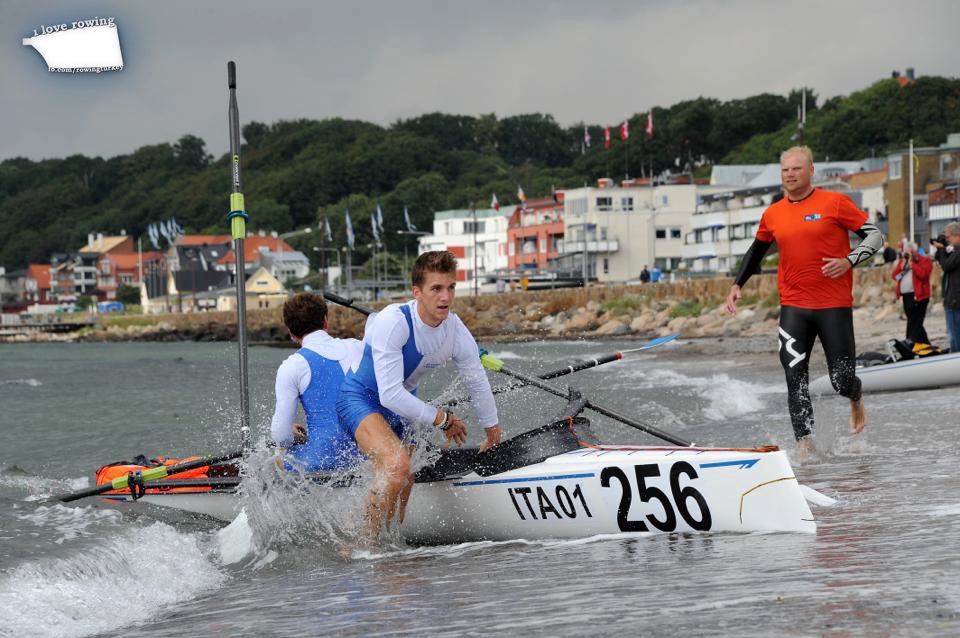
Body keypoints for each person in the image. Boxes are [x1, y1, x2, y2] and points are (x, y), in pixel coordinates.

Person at [723, 146, 882, 457]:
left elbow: (874, 235)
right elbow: (757, 250)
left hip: (833, 304)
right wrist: (737, 284)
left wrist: (849, 260)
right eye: (785, 170)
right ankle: (805, 450)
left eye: (796, 169)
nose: (790, 175)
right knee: (795, 379)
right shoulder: (773, 213)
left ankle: (856, 398)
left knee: (841, 379)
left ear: (811, 171)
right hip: (794, 305)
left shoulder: (834, 203)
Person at [337, 250, 502, 540]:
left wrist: (492, 431)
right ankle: (362, 546)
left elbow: (476, 380)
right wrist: (443, 419)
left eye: (451, 288)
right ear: (417, 292)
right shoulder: (394, 321)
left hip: (403, 405)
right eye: (436, 289)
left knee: (406, 480)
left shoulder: (456, 330)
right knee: (397, 466)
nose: (445, 298)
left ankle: (392, 545)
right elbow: (389, 394)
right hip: (361, 399)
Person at [270, 293, 365, 472]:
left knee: (277, 458)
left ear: (291, 332)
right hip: (367, 456)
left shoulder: (292, 366)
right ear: (325, 321)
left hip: (322, 462)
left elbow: (280, 435)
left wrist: (292, 437)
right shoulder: (357, 347)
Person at [892, 242, 933, 344]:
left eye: (910, 252)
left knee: (915, 320)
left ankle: (909, 341)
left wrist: (912, 264)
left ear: (916, 251)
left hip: (920, 296)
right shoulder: (903, 262)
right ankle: (925, 344)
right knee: (913, 321)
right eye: (906, 252)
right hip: (906, 296)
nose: (908, 254)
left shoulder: (925, 261)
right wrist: (902, 267)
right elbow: (895, 277)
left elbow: (923, 275)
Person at [932, 222, 960, 352]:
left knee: (954, 336)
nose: (947, 240)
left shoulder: (958, 252)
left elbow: (947, 266)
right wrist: (942, 251)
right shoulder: (955, 251)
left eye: (948, 237)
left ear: (957, 235)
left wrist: (942, 250)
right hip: (954, 299)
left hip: (954, 301)